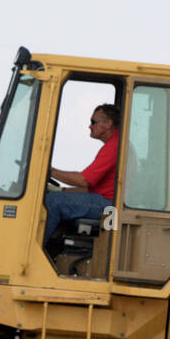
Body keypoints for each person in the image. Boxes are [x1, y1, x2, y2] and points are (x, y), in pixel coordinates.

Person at [43, 103, 120, 243]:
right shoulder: (115, 144)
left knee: (53, 201)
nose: (90, 126)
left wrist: (49, 172)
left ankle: (33, 249)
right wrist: (61, 189)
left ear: (108, 124)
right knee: (55, 196)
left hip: (109, 206)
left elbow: (83, 180)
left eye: (93, 122)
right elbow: (90, 187)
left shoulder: (114, 146)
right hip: (105, 200)